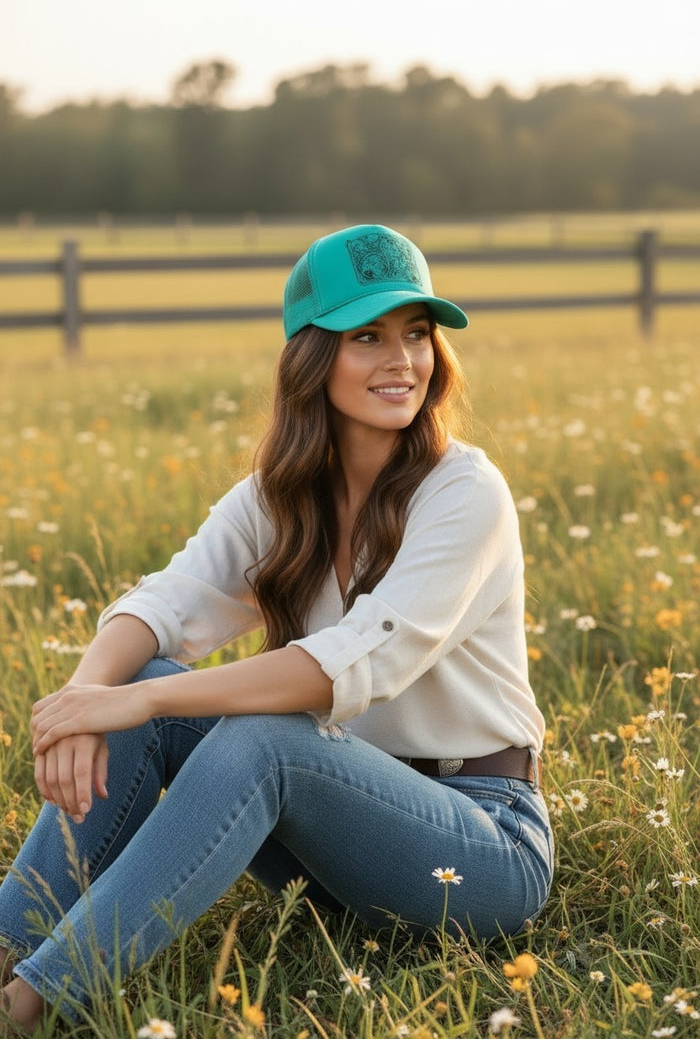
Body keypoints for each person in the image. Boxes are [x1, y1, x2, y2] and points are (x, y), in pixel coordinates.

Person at [0, 223, 553, 1029]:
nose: (402, 360)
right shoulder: (282, 493)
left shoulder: (465, 492)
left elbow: (357, 662)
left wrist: (139, 704)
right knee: (138, 676)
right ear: (311, 357)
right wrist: (89, 697)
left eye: (417, 334)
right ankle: (7, 940)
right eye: (367, 336)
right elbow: (166, 600)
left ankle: (33, 1000)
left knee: (243, 730)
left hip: (479, 844)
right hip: (338, 837)